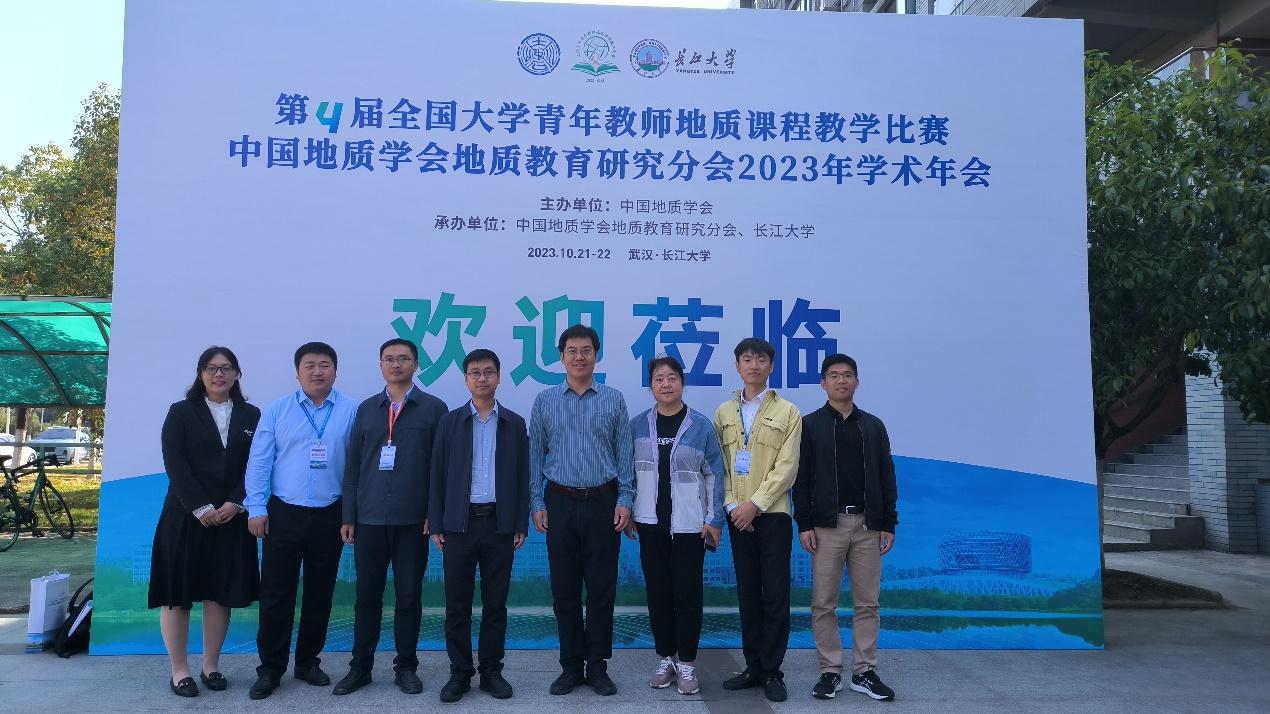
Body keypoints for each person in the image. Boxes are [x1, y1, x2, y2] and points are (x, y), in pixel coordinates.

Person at [244, 342, 358, 700]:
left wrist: (351, 514)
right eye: (309, 365)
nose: (317, 371)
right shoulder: (278, 410)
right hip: (283, 514)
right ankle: (270, 668)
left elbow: (357, 466)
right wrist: (256, 507)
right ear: (297, 372)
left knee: (320, 594)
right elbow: (259, 461)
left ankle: (308, 662)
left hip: (331, 515)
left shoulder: (352, 410)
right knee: (276, 594)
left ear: (335, 371)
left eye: (325, 365)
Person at [333, 338, 447, 696]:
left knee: (409, 597)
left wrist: (434, 514)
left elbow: (441, 468)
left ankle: (406, 667)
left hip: (413, 521)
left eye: (403, 358)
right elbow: (353, 467)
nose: (396, 364)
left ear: (416, 364)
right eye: (389, 359)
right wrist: (349, 515)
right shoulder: (367, 409)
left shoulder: (434, 408)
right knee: (367, 597)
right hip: (369, 518)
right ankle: (360, 667)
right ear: (380, 365)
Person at [529, 324, 634, 697]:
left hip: (604, 502)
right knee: (565, 589)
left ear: (596, 355)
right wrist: (537, 502)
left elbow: (624, 454)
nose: (579, 357)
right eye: (571, 350)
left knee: (602, 590)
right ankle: (571, 667)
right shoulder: (544, 401)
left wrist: (625, 499)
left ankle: (598, 667)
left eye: (586, 350)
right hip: (559, 502)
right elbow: (534, 455)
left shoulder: (614, 399)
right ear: (561, 357)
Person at [150, 346, 261, 697]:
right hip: (185, 516)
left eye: (226, 368)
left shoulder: (252, 414)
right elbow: (175, 463)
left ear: (237, 374)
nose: (219, 374)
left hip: (231, 516)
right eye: (212, 368)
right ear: (200, 373)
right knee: (177, 595)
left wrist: (236, 502)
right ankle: (179, 670)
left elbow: (258, 464)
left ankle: (211, 665)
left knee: (219, 593)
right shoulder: (181, 412)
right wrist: (200, 507)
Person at [794, 354, 898, 702]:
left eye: (848, 375)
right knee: (824, 603)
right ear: (823, 383)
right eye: (834, 375)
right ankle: (830, 671)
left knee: (868, 603)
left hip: (868, 525)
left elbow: (886, 475)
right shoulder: (810, 425)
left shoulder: (873, 426)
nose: (842, 380)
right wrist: (804, 524)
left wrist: (888, 522)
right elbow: (801, 480)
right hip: (827, 526)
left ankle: (864, 671)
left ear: (857, 382)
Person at [429, 348, 530, 703]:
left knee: (495, 604)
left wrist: (519, 522)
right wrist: (437, 522)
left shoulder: (514, 423)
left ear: (498, 377)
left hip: (499, 524)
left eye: (488, 372)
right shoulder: (450, 422)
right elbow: (436, 474)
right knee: (457, 604)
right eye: (475, 372)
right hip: (459, 524)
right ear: (466, 379)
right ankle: (459, 672)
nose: (482, 378)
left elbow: (522, 476)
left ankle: (491, 671)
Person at [625, 356, 725, 696]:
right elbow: (628, 473)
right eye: (659, 379)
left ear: (682, 383)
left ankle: (687, 663)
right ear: (651, 386)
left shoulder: (700, 426)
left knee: (687, 595)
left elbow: (715, 474)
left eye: (672, 378)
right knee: (658, 594)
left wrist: (714, 520)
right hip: (649, 524)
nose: (665, 384)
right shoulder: (638, 425)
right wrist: (628, 510)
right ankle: (666, 658)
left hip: (690, 527)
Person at [713, 337, 802, 703]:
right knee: (748, 593)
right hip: (738, 517)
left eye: (761, 359)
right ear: (737, 366)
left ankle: (772, 671)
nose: (754, 365)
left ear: (771, 366)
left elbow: (787, 467)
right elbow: (718, 466)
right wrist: (733, 506)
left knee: (775, 595)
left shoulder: (788, 412)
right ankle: (753, 667)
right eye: (747, 359)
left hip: (773, 515)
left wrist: (755, 504)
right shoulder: (724, 413)